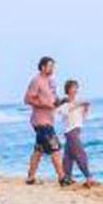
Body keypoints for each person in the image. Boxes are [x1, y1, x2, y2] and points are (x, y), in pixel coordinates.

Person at [24, 56, 66, 185]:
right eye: (50, 66)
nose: (52, 69)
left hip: (49, 119)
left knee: (39, 150)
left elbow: (53, 100)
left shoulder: (51, 81)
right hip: (41, 122)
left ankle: (30, 178)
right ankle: (62, 178)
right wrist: (44, 104)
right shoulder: (36, 81)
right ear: (43, 67)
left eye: (53, 66)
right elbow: (27, 99)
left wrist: (61, 102)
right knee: (55, 148)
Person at [58, 79, 95, 187]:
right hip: (71, 132)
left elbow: (81, 119)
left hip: (76, 131)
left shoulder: (78, 103)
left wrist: (86, 109)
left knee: (68, 157)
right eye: (73, 87)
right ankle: (89, 177)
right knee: (80, 154)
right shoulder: (64, 104)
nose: (75, 90)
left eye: (76, 87)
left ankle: (67, 178)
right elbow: (65, 111)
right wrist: (79, 104)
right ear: (68, 90)